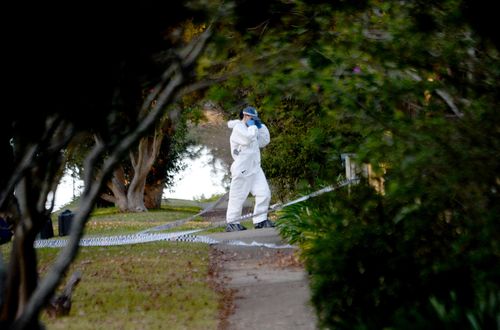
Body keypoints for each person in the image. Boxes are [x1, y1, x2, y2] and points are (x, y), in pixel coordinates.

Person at [225, 106, 275, 232]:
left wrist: (260, 126)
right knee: (238, 196)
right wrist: (252, 127)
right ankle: (232, 223)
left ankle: (260, 220)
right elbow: (247, 139)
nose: (254, 120)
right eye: (252, 118)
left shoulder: (253, 128)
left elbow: (264, 141)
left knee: (264, 193)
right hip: (242, 168)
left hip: (255, 167)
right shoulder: (239, 128)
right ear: (246, 116)